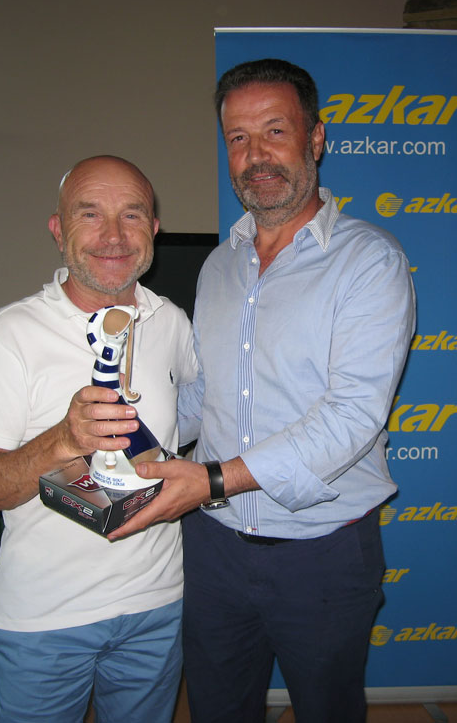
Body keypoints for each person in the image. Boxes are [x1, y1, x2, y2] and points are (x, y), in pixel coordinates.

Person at [109, 59, 416, 722]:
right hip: (214, 549)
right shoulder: (220, 265)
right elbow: (204, 396)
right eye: (238, 138)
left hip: (323, 553)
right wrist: (130, 445)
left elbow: (352, 415)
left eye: (275, 131)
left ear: (316, 138)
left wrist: (212, 480)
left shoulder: (370, 261)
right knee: (217, 710)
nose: (256, 156)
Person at [0, 155, 197, 723]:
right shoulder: (11, 334)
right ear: (58, 229)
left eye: (131, 215)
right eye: (90, 215)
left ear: (154, 229)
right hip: (44, 618)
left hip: (158, 603)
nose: (113, 236)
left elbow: (189, 424)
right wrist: (61, 441)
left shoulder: (172, 324)